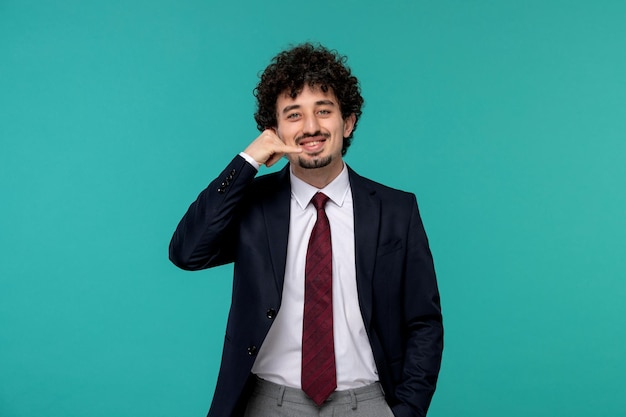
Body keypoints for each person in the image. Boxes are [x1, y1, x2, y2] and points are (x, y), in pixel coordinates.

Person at [169, 43, 443, 417]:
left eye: (324, 111)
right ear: (275, 130)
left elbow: (424, 323)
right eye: (293, 115)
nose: (311, 127)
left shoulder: (397, 210)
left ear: (347, 122)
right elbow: (188, 252)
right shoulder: (252, 205)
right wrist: (247, 161)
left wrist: (407, 410)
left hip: (368, 403)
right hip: (269, 403)